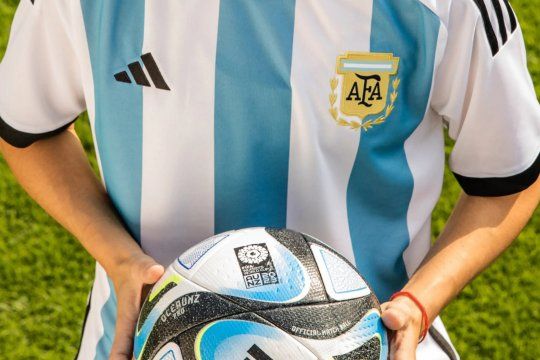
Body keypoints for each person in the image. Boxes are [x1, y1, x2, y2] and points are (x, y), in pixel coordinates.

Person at [0, 0, 538, 359]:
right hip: (146, 344)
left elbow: (509, 176)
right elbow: (28, 131)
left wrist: (418, 303)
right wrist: (119, 259)